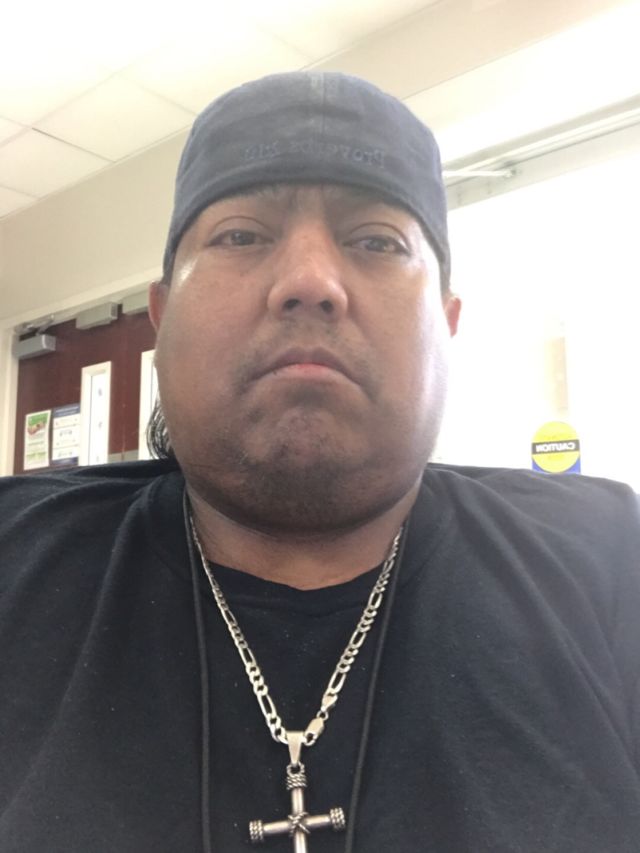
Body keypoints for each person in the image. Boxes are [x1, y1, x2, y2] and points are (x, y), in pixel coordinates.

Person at [0, 72, 639, 853]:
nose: (309, 281)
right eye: (242, 235)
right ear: (161, 318)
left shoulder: (611, 561)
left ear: (446, 324)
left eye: (376, 241)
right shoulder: (14, 556)